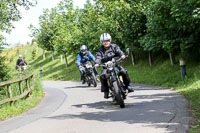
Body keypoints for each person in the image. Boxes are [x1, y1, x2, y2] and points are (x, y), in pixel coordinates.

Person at [95, 33, 134, 99]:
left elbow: (119, 51)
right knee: (102, 76)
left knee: (123, 71)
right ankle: (106, 91)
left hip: (115, 65)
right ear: (101, 42)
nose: (106, 42)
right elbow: (98, 57)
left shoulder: (114, 46)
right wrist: (97, 63)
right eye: (104, 41)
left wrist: (122, 55)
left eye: (107, 41)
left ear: (110, 40)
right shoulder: (99, 50)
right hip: (106, 67)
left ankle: (128, 86)